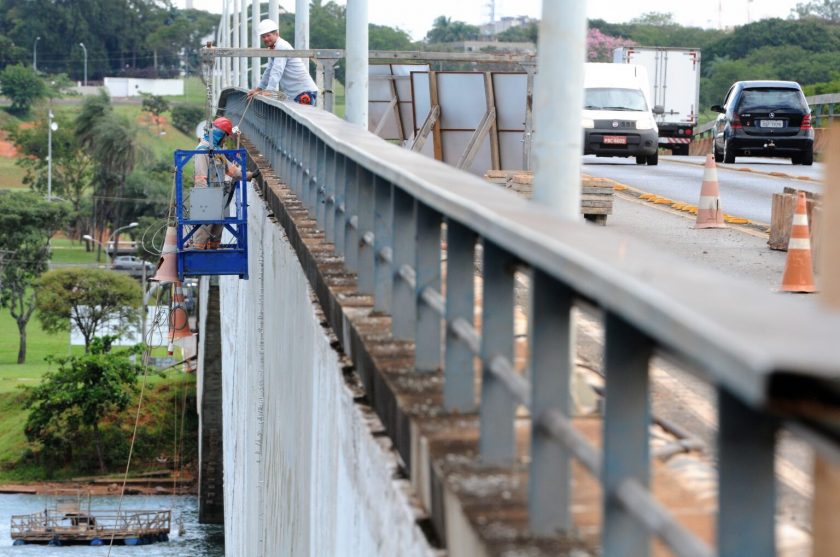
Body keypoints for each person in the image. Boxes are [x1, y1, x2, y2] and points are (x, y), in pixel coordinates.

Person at [190, 117, 253, 249]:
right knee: (204, 228)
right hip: (206, 196)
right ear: (219, 134)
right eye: (225, 136)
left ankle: (213, 249)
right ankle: (199, 250)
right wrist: (205, 198)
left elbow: (231, 170)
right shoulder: (202, 150)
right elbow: (201, 176)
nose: (225, 140)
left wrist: (248, 175)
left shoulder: (217, 152)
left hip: (218, 195)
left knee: (218, 227)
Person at [246, 19, 319, 105]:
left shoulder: (281, 47)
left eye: (268, 35)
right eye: (263, 36)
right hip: (296, 93)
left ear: (276, 34)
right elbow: (269, 71)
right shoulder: (274, 48)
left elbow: (277, 70)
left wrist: (269, 91)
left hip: (304, 92)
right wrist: (258, 89)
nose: (265, 39)